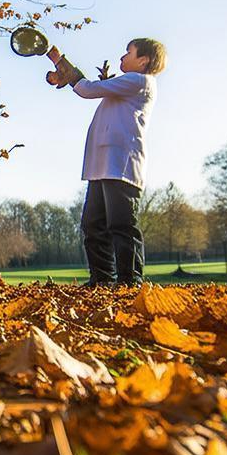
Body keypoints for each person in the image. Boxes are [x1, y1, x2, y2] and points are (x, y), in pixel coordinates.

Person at [45, 38, 167, 287]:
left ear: (143, 61)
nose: (122, 56)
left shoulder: (140, 80)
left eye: (128, 52)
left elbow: (87, 89)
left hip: (121, 163)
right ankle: (102, 280)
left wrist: (59, 61)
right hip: (102, 164)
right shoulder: (126, 84)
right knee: (93, 224)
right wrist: (74, 79)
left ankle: (130, 282)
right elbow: (95, 87)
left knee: (121, 224)